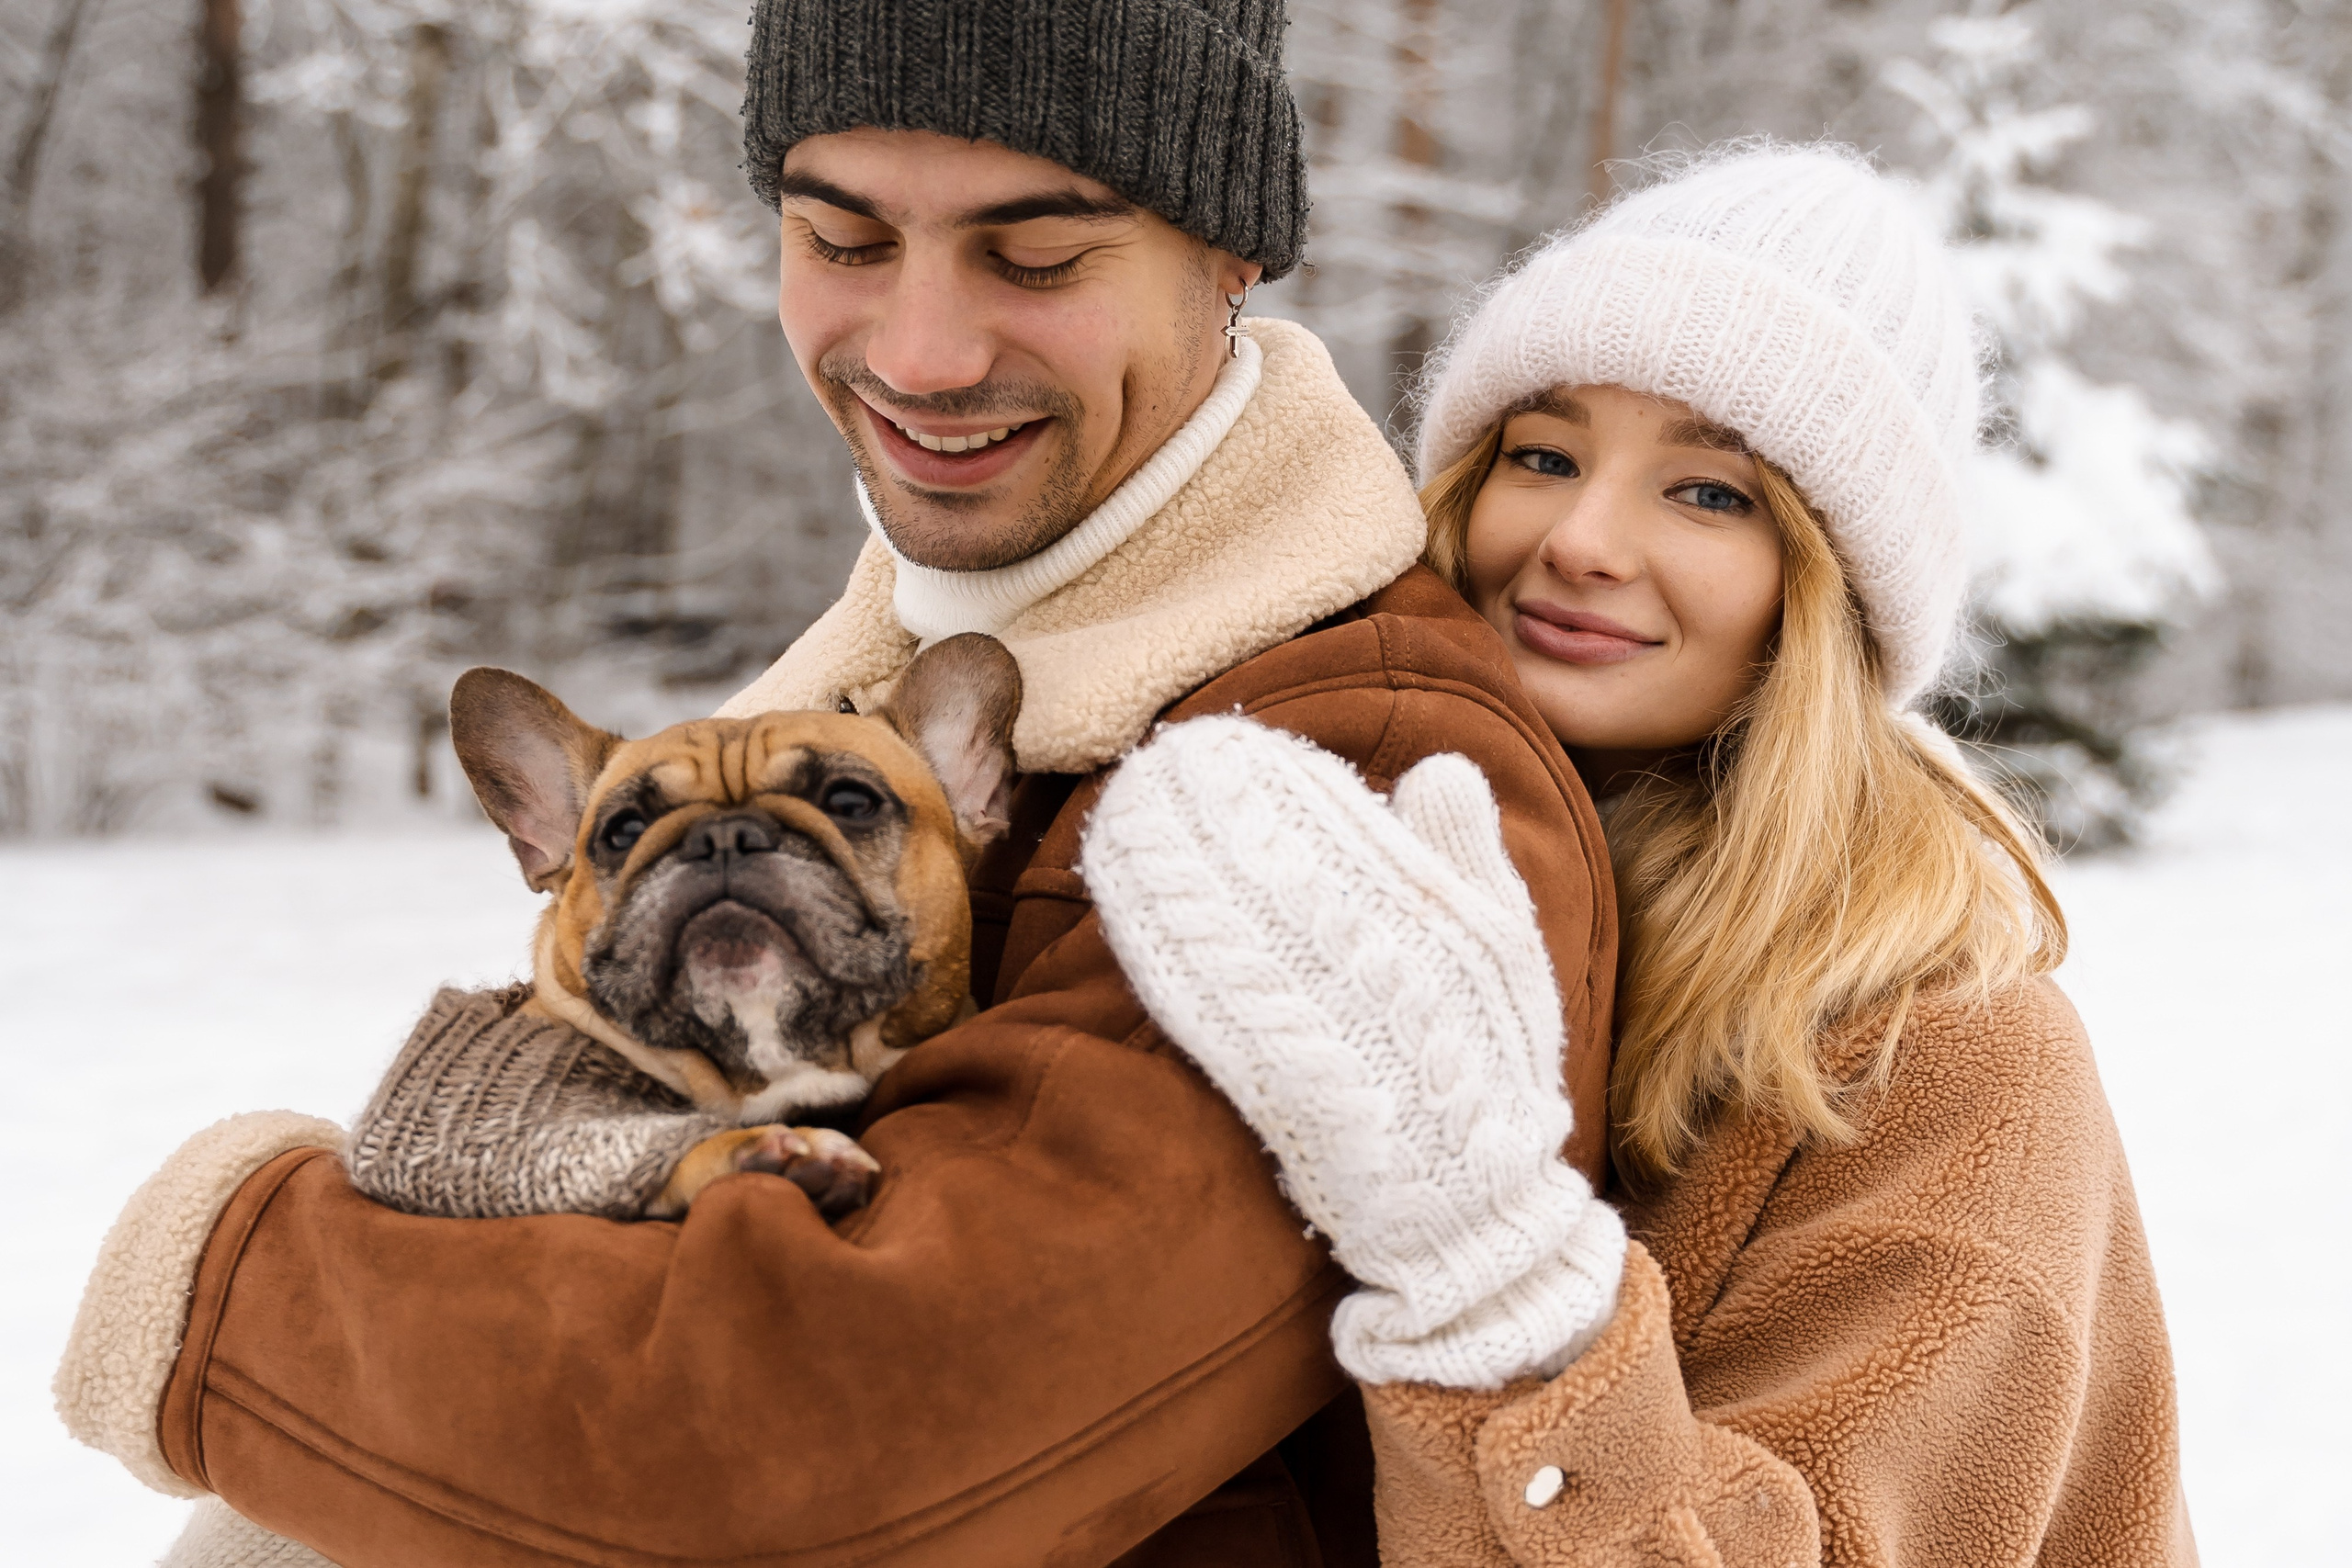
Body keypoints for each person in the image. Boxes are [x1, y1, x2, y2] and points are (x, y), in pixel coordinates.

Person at [53, 3, 1617, 1565]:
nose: (922, 356)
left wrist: (220, 1284)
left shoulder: (1348, 762)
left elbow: (823, 1440)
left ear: (1233, 257)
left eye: (1039, 254)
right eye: (843, 239)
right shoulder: (898, 669)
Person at [1080, 144, 2195, 1564]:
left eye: (1711, 495)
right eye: (1543, 458)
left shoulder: (1951, 1057)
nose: (1585, 541)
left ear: (1827, 593)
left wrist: (1493, 1285)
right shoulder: (1320, 853)